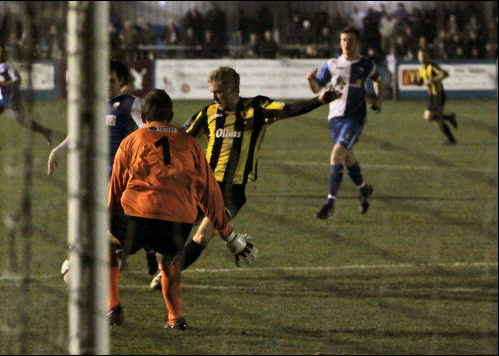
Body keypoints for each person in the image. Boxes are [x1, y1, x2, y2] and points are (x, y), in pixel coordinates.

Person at [149, 66, 341, 290]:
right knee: (174, 229)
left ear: (232, 89)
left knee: (203, 234)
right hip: (201, 185)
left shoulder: (257, 108)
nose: (213, 96)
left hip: (232, 192)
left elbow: (289, 109)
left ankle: (168, 275)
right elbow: (181, 139)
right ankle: (164, 265)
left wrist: (319, 100)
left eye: (218, 92)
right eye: (211, 91)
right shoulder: (208, 113)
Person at [107, 89, 254, 330]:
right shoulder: (190, 143)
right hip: (176, 219)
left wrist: (108, 219)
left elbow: (115, 187)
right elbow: (210, 191)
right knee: (169, 260)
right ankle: (176, 318)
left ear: (143, 118)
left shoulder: (131, 141)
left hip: (137, 216)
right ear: (172, 115)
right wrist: (227, 233)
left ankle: (112, 308)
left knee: (108, 246)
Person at [48, 60, 159, 275]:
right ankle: (128, 253)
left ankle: (142, 247)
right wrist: (57, 151)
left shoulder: (131, 104)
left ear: (120, 82)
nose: (107, 84)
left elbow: (149, 129)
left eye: (112, 80)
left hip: (123, 175)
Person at [306, 25, 383, 220]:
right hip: (335, 118)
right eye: (343, 40)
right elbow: (317, 89)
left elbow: (377, 78)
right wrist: (310, 80)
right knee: (348, 157)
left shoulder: (366, 64)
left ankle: (330, 202)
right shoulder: (331, 64)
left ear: (357, 42)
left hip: (355, 118)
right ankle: (364, 189)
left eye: (350, 40)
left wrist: (379, 98)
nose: (346, 43)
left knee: (336, 155)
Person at [0, 46, 53, 155]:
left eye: (1, 52)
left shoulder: (8, 67)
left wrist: (2, 84)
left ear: (5, 54)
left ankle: (45, 131)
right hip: (0, 98)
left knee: (23, 122)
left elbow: (18, 80)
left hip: (11, 98)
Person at [412, 48, 458, 144]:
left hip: (439, 94)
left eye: (424, 56)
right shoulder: (421, 70)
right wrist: (416, 82)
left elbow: (445, 74)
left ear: (427, 56)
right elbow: (422, 82)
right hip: (432, 96)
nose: (422, 58)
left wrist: (433, 80)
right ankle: (450, 118)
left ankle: (451, 139)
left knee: (437, 118)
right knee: (429, 117)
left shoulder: (432, 66)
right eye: (420, 56)